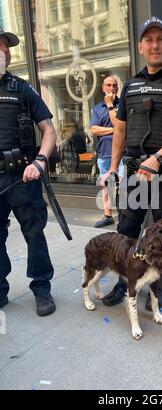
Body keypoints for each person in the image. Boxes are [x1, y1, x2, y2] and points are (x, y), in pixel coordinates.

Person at [101, 16, 162, 308]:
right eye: (149, 40)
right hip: (134, 173)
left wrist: (157, 158)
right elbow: (120, 129)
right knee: (126, 231)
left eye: (160, 39)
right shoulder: (130, 85)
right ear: (140, 46)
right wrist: (112, 167)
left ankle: (159, 289)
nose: (154, 45)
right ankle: (125, 282)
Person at [0, 27, 57, 316]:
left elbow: (48, 130)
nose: (2, 51)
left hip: (24, 175)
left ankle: (42, 287)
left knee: (35, 233)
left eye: (3, 47)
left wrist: (40, 161)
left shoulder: (22, 89)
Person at [90, 76, 124, 228]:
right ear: (103, 88)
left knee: (123, 186)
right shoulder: (97, 108)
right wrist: (115, 130)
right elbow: (94, 129)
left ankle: (125, 216)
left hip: (121, 155)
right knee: (106, 187)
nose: (112, 88)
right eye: (108, 85)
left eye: (114, 85)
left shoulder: (122, 105)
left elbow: (120, 124)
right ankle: (108, 215)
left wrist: (110, 104)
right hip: (103, 154)